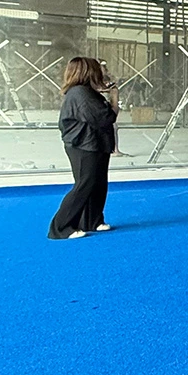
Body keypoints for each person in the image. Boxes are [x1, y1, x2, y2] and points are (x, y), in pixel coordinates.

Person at [48, 57, 118, 240]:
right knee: (85, 184)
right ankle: (61, 227)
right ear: (89, 72)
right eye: (98, 70)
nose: (102, 73)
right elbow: (106, 118)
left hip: (96, 144)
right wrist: (114, 98)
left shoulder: (87, 92)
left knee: (98, 183)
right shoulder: (80, 94)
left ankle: (92, 221)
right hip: (83, 145)